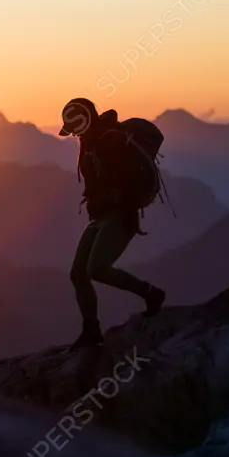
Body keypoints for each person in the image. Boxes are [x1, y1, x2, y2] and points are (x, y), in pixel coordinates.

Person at [58, 97, 166, 348]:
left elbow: (126, 181)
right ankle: (91, 330)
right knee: (78, 273)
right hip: (102, 217)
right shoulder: (91, 143)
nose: (73, 133)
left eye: (74, 127)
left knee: (96, 269)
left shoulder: (110, 142)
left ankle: (151, 294)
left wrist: (125, 211)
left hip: (120, 215)